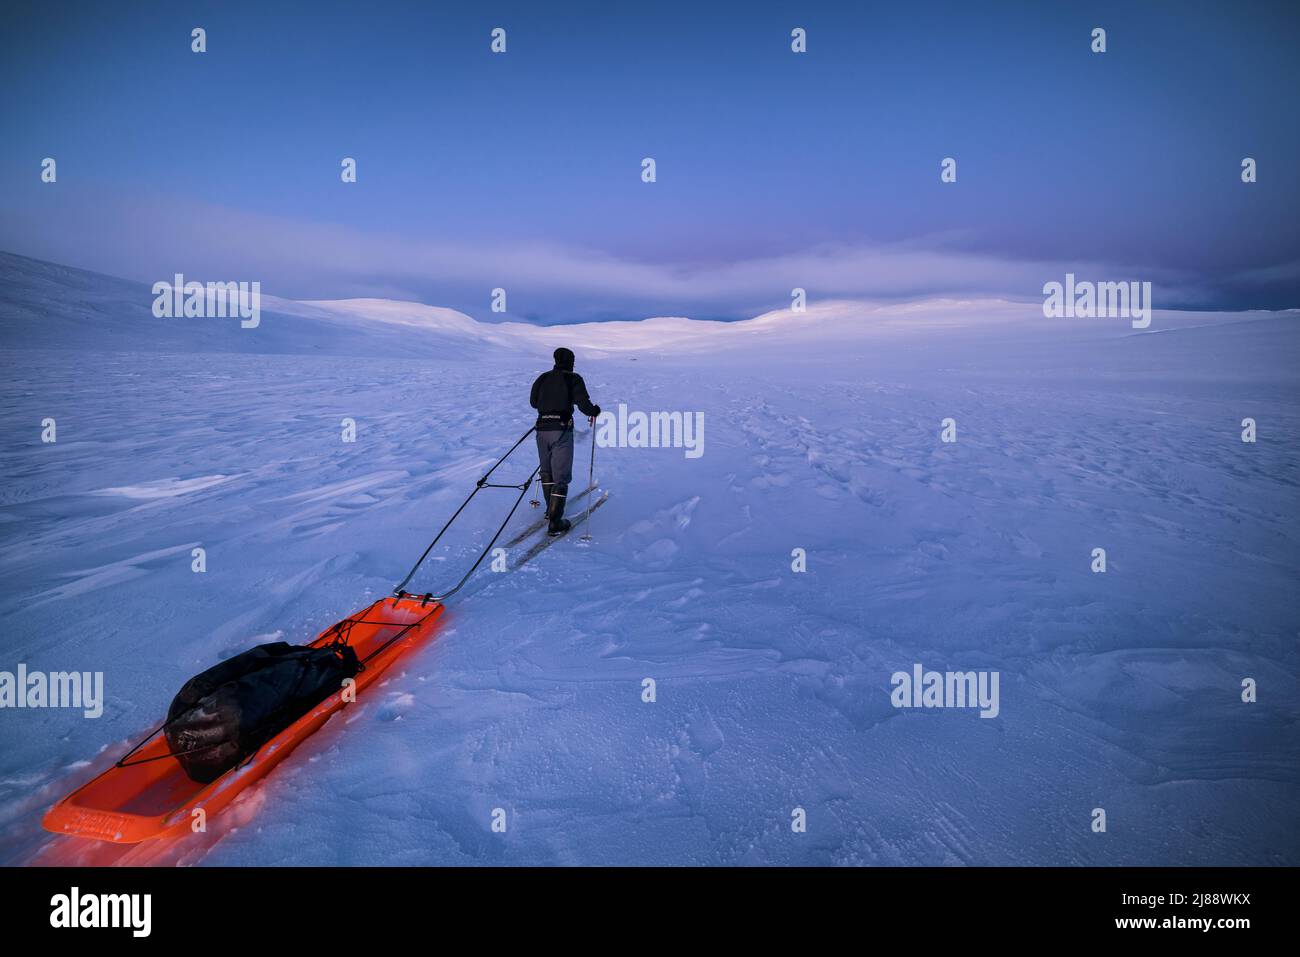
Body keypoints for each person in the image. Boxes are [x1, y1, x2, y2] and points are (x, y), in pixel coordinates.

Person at [530, 347, 602, 535]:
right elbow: (583, 404)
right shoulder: (573, 378)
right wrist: (594, 411)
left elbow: (533, 402)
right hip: (561, 430)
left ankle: (549, 511)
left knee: (546, 471)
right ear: (571, 361)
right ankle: (555, 523)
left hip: (541, 429)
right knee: (560, 476)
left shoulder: (543, 378)